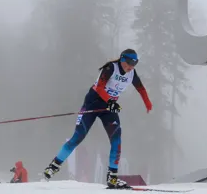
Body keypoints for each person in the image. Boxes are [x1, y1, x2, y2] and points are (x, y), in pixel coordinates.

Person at [42, 49, 152, 189]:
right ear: (122, 60)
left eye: (135, 64)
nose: (131, 67)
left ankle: (112, 177)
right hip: (93, 103)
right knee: (78, 137)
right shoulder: (110, 68)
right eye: (129, 63)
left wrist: (148, 103)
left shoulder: (131, 73)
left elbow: (141, 89)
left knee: (116, 140)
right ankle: (53, 166)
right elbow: (100, 88)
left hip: (108, 108)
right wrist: (110, 102)